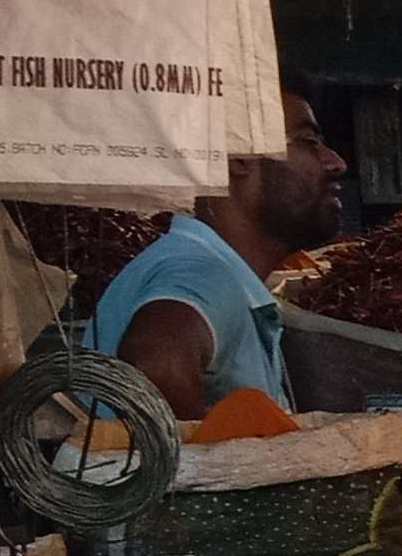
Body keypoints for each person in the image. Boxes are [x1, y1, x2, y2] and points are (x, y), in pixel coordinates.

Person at [93, 92, 343, 417]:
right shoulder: (203, 275)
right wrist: (206, 461)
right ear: (238, 158)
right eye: (308, 141)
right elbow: (156, 364)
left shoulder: (213, 271)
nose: (335, 162)